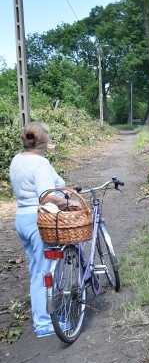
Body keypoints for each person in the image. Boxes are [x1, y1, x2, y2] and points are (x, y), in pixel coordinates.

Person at [9, 122, 81, 338]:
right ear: (45, 141)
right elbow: (45, 195)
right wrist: (69, 204)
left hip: (22, 217)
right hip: (39, 219)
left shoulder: (17, 159)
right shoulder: (39, 163)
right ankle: (42, 323)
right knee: (45, 271)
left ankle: (45, 314)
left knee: (37, 269)